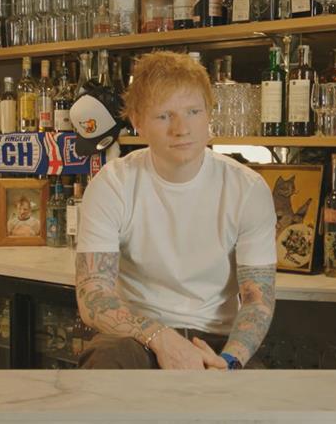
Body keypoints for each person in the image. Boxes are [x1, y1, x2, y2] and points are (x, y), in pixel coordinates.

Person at [75, 51, 277, 370]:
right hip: (138, 338)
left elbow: (257, 300)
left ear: (209, 113)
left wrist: (229, 360)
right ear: (138, 122)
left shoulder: (247, 188)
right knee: (108, 358)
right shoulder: (112, 184)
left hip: (216, 340)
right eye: (164, 116)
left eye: (193, 111)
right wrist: (161, 338)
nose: (181, 129)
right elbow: (93, 296)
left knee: (258, 397)